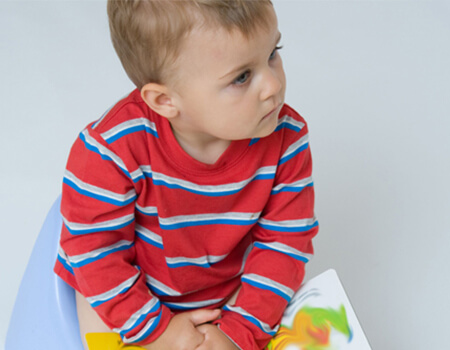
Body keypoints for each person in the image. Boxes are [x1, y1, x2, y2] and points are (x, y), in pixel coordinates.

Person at [53, 1, 318, 349]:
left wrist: (239, 332)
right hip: (130, 294)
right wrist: (156, 331)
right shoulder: (110, 150)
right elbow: (96, 255)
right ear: (165, 101)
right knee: (94, 307)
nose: (272, 85)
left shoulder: (287, 138)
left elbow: (284, 245)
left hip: (232, 291)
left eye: (272, 53)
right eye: (241, 77)